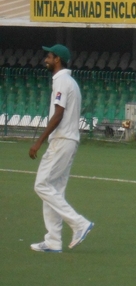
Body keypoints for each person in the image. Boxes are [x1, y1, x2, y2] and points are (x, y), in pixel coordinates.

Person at [28, 44, 94, 253]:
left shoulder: (62, 81)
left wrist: (39, 141)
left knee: (41, 185)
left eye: (49, 56)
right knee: (53, 190)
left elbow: (58, 114)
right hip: (69, 140)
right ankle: (53, 241)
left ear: (57, 59)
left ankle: (79, 223)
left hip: (62, 139)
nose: (46, 59)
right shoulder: (69, 81)